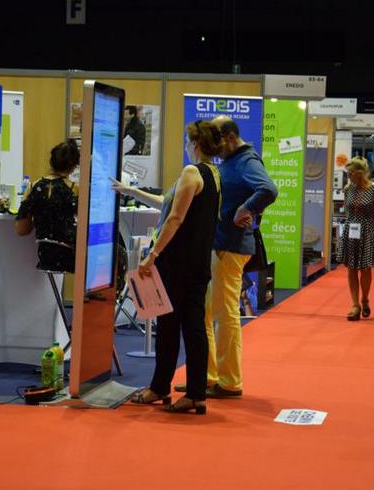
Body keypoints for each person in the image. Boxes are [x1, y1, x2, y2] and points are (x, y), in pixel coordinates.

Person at [114, 120, 222, 415]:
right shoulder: (213, 174)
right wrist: (130, 191)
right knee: (191, 326)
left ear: (196, 144)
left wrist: (153, 255)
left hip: (178, 261)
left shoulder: (192, 171)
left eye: (188, 141)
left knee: (171, 327)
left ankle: (163, 387)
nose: (186, 146)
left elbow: (175, 218)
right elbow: (168, 203)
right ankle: (193, 392)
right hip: (197, 261)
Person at [176, 116, 277, 399]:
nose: (216, 148)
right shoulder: (233, 161)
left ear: (230, 137)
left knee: (224, 314)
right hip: (221, 245)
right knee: (207, 314)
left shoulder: (246, 161)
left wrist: (245, 209)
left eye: (219, 142)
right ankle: (207, 376)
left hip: (230, 248)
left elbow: (268, 189)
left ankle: (230, 381)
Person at [15, 139, 80, 273]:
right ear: (73, 166)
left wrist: (40, 213)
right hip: (71, 255)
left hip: (45, 255)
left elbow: (21, 230)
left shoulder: (33, 186)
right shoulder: (75, 189)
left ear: (51, 161)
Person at [338, 157, 374, 320]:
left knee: (365, 268)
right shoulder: (347, 188)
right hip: (351, 230)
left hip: (368, 230)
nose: (348, 176)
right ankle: (355, 305)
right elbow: (347, 209)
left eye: (350, 173)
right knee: (351, 268)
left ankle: (365, 299)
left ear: (360, 173)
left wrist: (367, 222)